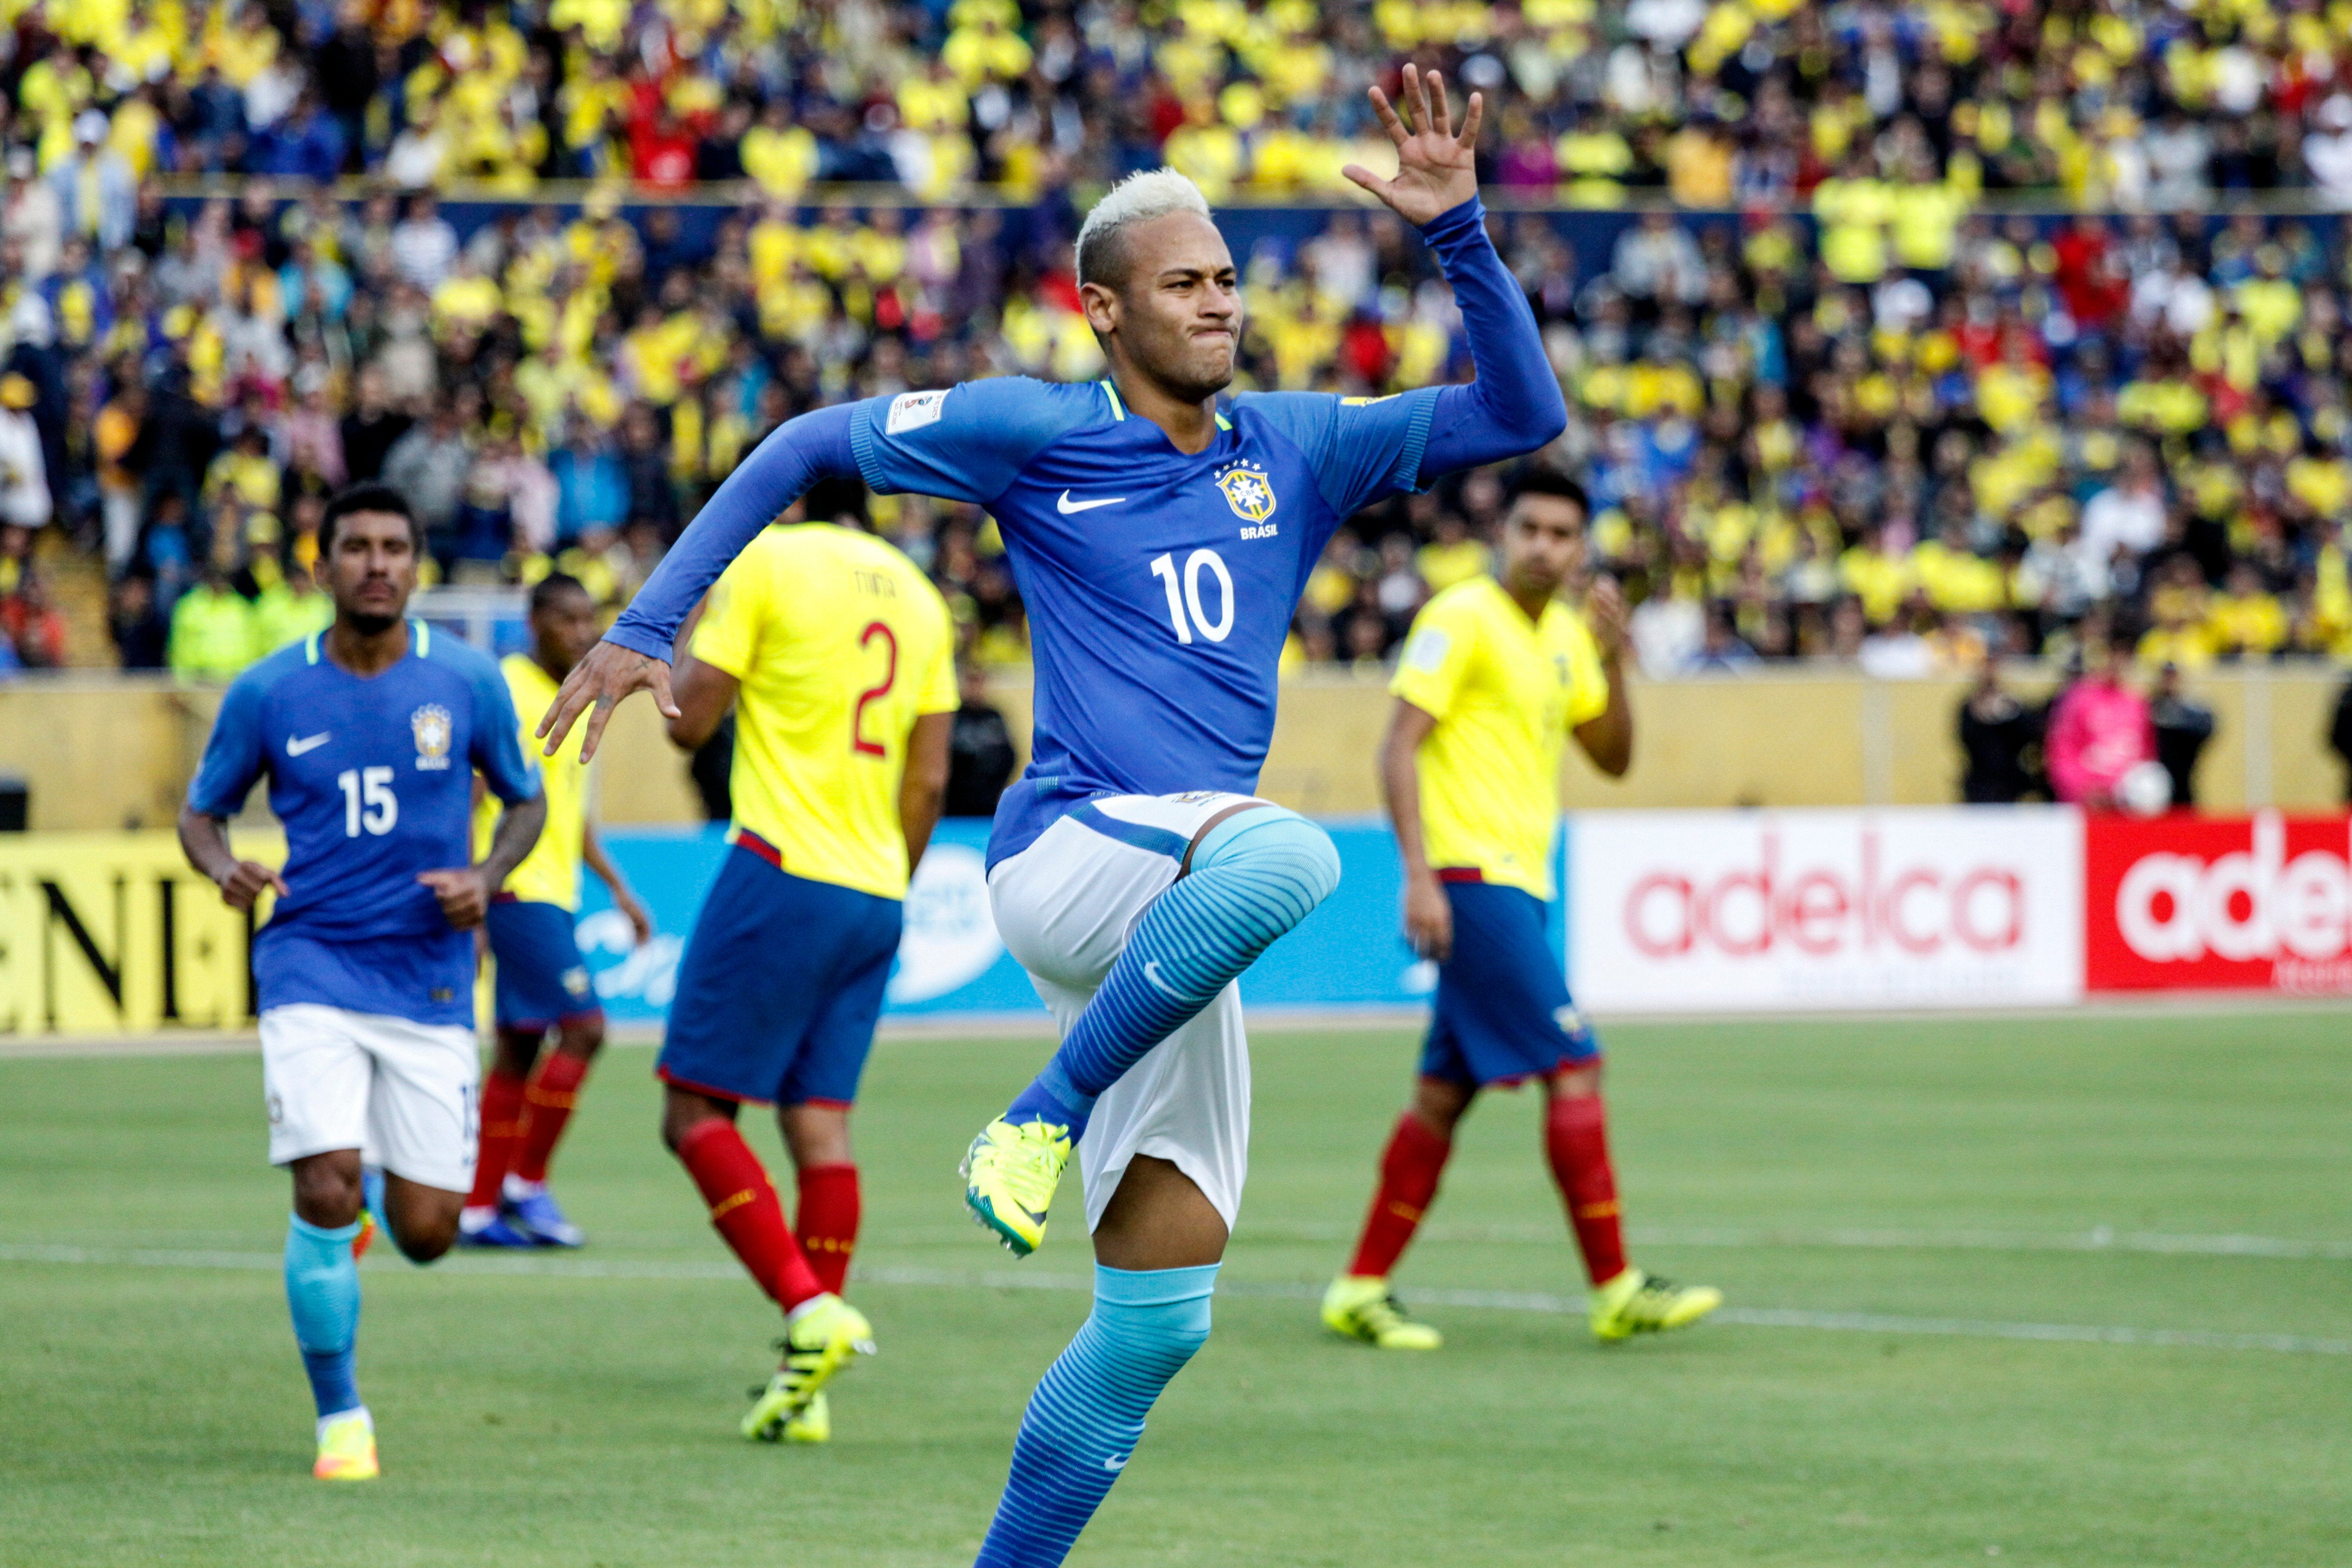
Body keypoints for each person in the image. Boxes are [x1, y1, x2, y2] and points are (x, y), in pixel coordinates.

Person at [540, 67, 1564, 1566]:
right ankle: (1034, 1117)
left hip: (1176, 908)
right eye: (1185, 285)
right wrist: (653, 614)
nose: (1221, 305)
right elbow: (808, 444)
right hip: (1077, 850)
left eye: (1227, 280)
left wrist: (1461, 234)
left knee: (1160, 1322)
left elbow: (1521, 414)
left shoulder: (1296, 444)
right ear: (1104, 309)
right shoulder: (1035, 430)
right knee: (1290, 848)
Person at [176, 483, 546, 1483]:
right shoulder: (268, 691)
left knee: (429, 1233)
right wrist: (224, 871)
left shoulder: (466, 680)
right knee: (325, 1186)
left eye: (393, 547)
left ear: (416, 566)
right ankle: (342, 1417)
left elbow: (526, 800)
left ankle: (380, 1207)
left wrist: (487, 876)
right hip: (309, 963)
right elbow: (201, 814)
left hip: (428, 977)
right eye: (357, 547)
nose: (377, 563)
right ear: (323, 566)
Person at [1320, 473, 1720, 1351]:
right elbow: (1398, 746)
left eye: (1562, 534)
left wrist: (1616, 659)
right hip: (1469, 879)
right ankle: (1614, 1284)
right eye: (1530, 528)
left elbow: (1611, 758)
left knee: (1438, 1099)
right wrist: (1417, 875)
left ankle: (1359, 1285)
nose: (1544, 545)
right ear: (1505, 533)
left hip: (1521, 885)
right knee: (1575, 1064)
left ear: (1581, 549)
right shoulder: (1459, 617)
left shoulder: (1574, 637)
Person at [655, 508, 955, 1443]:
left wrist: (699, 607)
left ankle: (804, 1308)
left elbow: (686, 721)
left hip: (781, 864)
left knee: (695, 1114)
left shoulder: (770, 560)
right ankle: (807, 1379)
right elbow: (931, 780)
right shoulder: (921, 595)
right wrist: (890, 883)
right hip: (876, 887)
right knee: (821, 1125)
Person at [458, 574, 653, 1249]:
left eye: (587, 620)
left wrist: (619, 890)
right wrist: (475, 893)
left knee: (516, 1049)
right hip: (515, 889)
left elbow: (571, 814)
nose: (580, 632)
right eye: (566, 619)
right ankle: (526, 1183)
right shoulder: (509, 690)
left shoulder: (574, 693)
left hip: (554, 891)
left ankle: (479, 1208)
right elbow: (470, 793)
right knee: (585, 1029)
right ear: (533, 620)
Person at [2046, 631, 2155, 808]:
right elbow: (2061, 752)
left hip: (2127, 805)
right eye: (2112, 654)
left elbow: (2146, 755)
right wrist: (2082, 790)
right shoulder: (2078, 699)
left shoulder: (2138, 703)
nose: (2117, 662)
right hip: (2084, 804)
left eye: (2124, 656)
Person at [1958, 660, 2045, 803]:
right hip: (1980, 780)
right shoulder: (1969, 708)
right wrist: (1980, 716)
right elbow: (1965, 739)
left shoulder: (2010, 704)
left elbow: (2030, 733)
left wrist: (2010, 713)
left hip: (2009, 779)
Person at [945, 656, 1019, 817]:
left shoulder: (994, 717)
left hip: (987, 805)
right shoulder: (953, 716)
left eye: (979, 681)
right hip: (953, 808)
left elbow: (1009, 756)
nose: (975, 687)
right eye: (971, 681)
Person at [2149, 661, 2215, 809]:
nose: (2169, 682)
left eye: (2173, 677)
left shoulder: (2191, 712)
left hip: (2183, 782)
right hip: (2155, 785)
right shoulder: (2151, 708)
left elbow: (2206, 728)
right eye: (2166, 677)